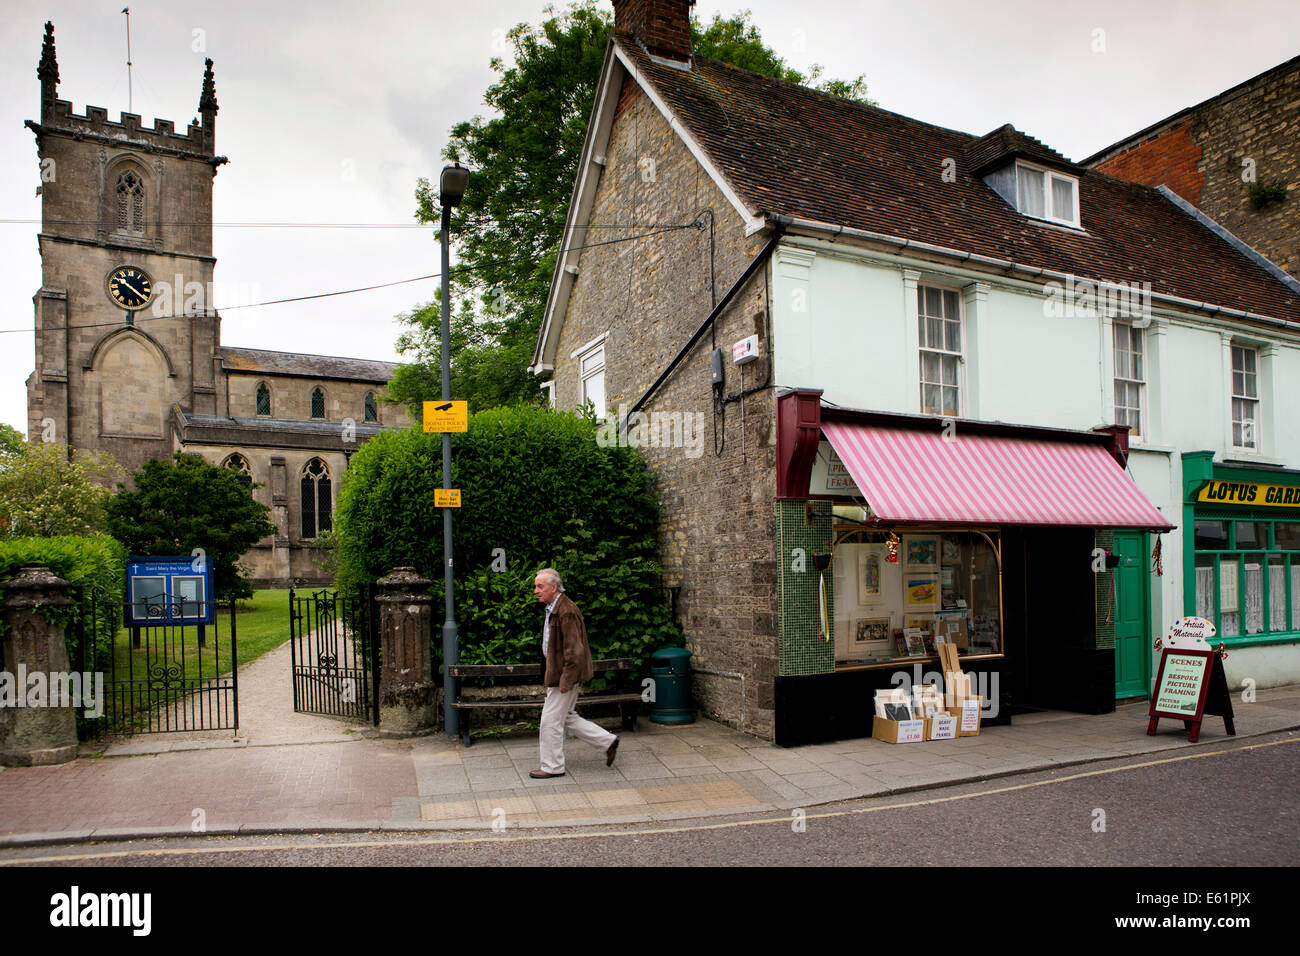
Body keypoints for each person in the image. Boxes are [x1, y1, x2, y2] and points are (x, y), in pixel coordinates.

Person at [529, 568, 618, 778]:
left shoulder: (566, 610)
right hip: (560, 674)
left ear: (553, 587)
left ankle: (552, 766)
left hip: (563, 676)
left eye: (539, 586)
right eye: (535, 586)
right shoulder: (555, 607)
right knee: (566, 717)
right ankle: (608, 741)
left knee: (550, 721)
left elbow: (574, 651)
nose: (535, 591)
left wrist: (565, 681)